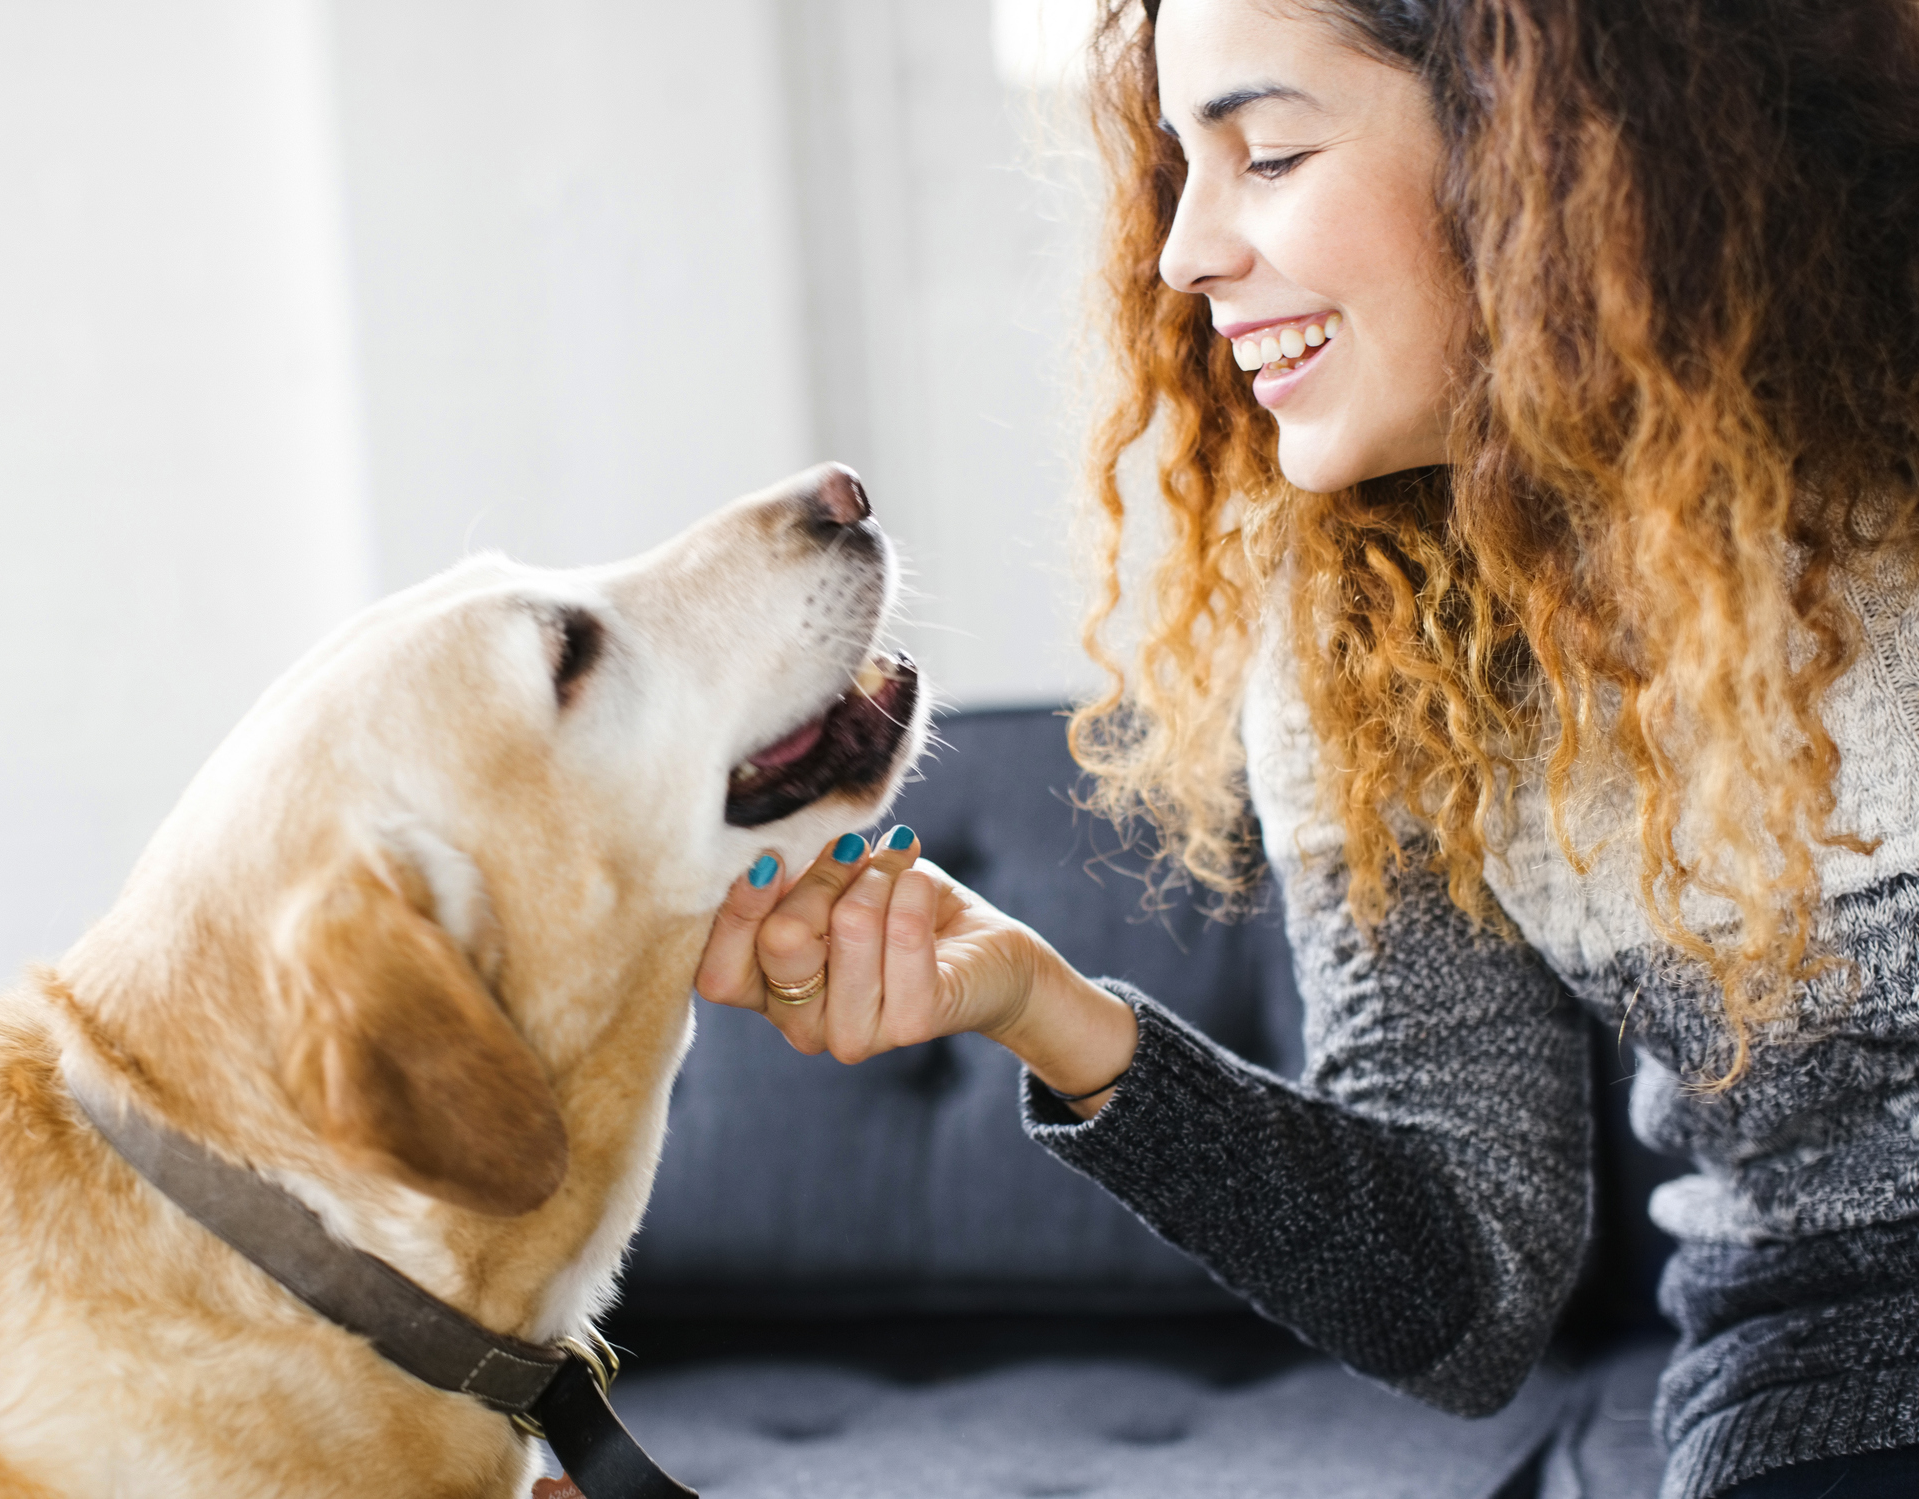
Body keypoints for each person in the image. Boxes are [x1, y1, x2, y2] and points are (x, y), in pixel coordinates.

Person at [694, 1, 1919, 1494]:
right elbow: (1460, 1292)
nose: (1180, 252)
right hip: (1840, 1374)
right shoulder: (1375, 641)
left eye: (1266, 152)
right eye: (1178, 168)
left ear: (1546, 139)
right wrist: (1041, 1006)